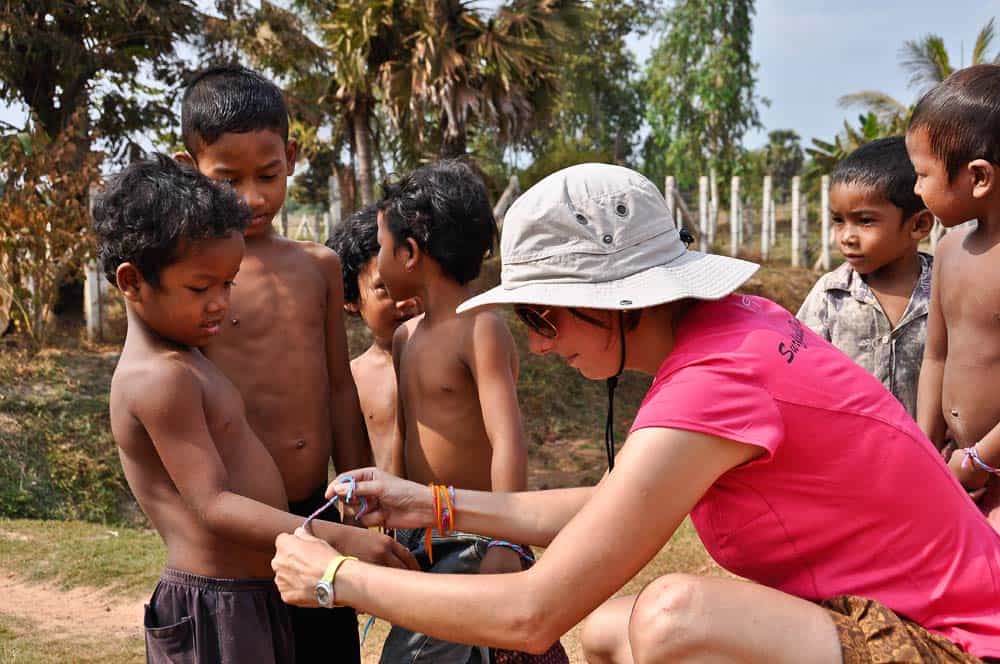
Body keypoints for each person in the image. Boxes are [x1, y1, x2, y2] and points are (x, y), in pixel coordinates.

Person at [273, 163, 1000, 664]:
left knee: (671, 617)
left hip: (954, 645)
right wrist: (430, 504)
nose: (536, 343)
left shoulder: (713, 379)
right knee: (613, 630)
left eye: (543, 315)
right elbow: (620, 503)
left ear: (613, 303)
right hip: (903, 624)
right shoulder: (735, 327)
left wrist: (337, 576)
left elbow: (531, 616)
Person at [93, 156, 411, 664]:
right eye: (202, 288)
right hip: (215, 606)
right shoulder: (159, 378)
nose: (220, 302)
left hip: (248, 595)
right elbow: (215, 505)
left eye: (228, 283)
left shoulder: (188, 359)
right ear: (131, 282)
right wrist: (342, 538)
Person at [177, 65, 415, 663]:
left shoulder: (318, 267)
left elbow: (338, 387)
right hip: (238, 519)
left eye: (269, 174)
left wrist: (364, 494)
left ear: (292, 156)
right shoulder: (195, 282)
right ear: (190, 168)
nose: (253, 198)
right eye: (227, 180)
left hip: (319, 505)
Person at [374, 161, 539, 663]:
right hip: (418, 535)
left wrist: (507, 541)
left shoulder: (480, 329)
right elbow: (405, 436)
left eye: (382, 245)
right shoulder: (405, 337)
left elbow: (507, 438)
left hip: (472, 539)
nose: (377, 260)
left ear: (409, 253)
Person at [910, 64, 1000, 531]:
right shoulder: (946, 251)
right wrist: (926, 445)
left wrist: (979, 460)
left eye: (923, 174)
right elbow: (936, 357)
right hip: (956, 463)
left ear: (978, 177)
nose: (916, 189)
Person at [797, 136, 933, 417]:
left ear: (919, 224)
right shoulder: (830, 295)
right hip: (847, 453)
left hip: (929, 454)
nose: (847, 237)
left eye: (865, 221)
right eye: (838, 220)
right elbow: (799, 372)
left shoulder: (946, 291)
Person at [327, 205, 421, 473]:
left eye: (411, 280)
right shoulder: (351, 381)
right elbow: (353, 472)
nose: (404, 300)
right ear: (351, 299)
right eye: (385, 288)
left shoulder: (454, 357)